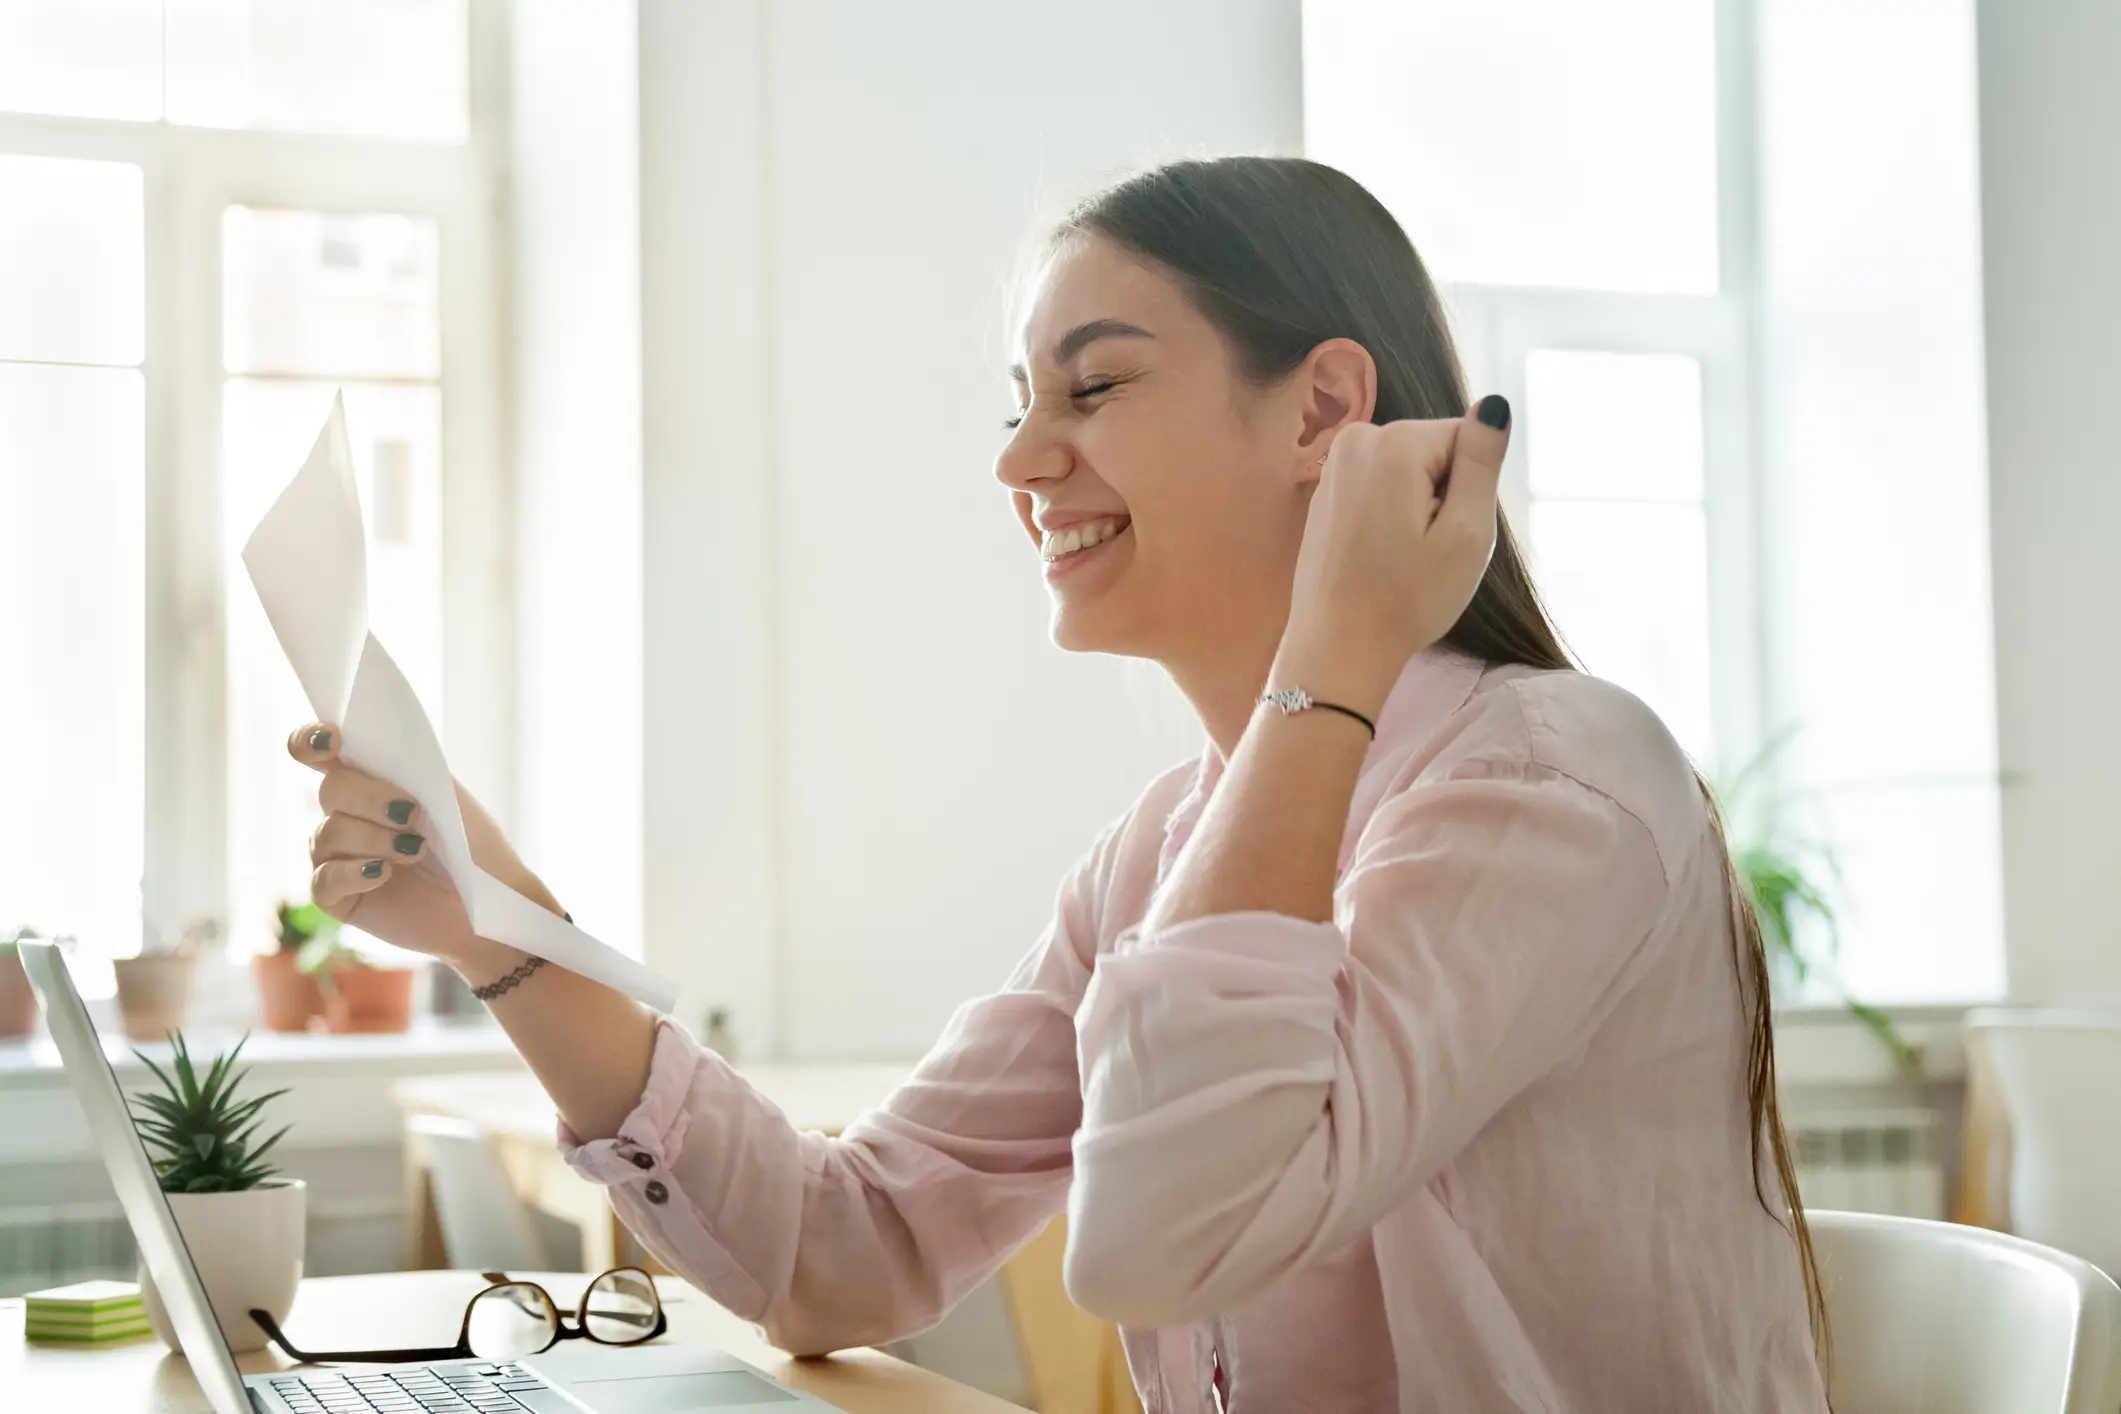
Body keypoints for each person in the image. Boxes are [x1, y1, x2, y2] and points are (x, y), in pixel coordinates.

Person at [290, 157, 1829, 1412]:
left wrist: (1340, 650)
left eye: (1089, 390)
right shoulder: (1166, 848)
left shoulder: (1553, 784)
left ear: (1322, 412)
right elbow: (843, 1248)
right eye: (1016, 402)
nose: (1022, 460)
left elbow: (1172, 1234)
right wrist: (497, 920)